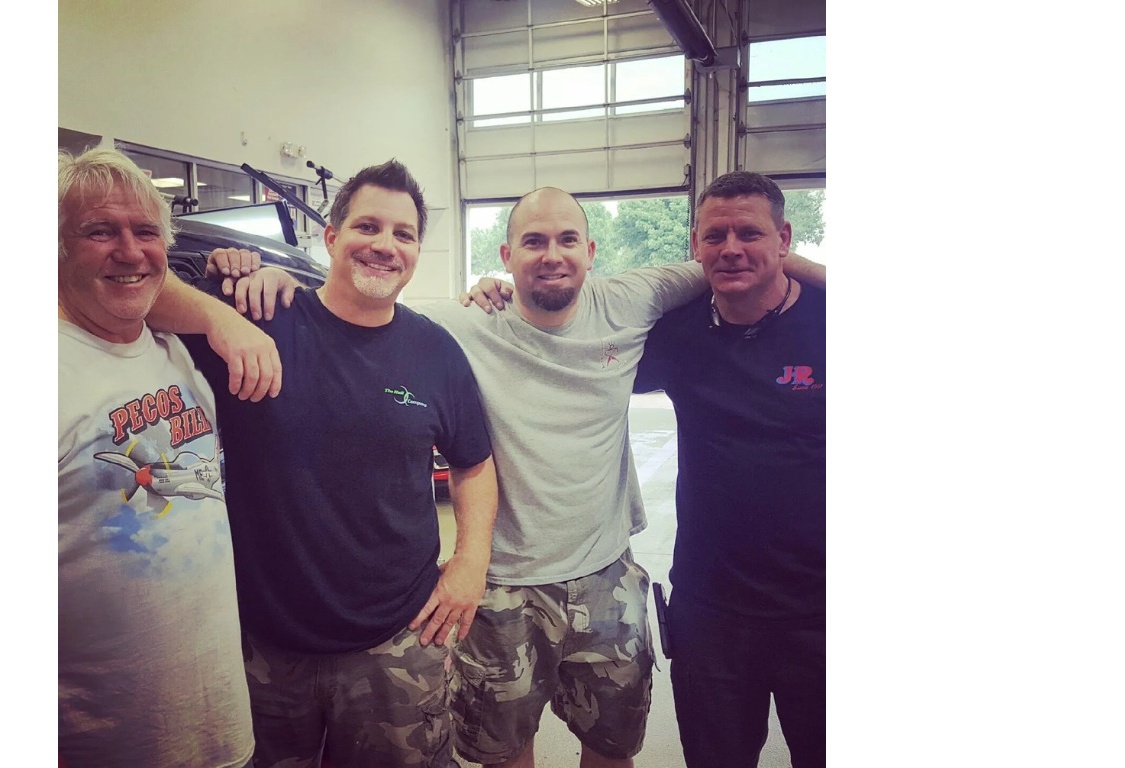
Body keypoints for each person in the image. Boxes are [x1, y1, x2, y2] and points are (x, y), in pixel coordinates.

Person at [218, 185, 825, 767]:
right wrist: (285, 287)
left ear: (591, 251)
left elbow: (737, 259)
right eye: (533, 242)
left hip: (605, 576)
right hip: (502, 588)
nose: (552, 255)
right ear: (506, 257)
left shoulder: (633, 298)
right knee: (503, 752)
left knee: (615, 747)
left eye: (567, 240)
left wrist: (789, 257)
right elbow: (362, 303)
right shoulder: (461, 324)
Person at [146, 159, 499, 768]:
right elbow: (138, 292)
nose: (385, 245)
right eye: (367, 226)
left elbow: (474, 463)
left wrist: (471, 563)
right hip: (264, 645)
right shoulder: (260, 318)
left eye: (404, 234)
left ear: (417, 252)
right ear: (332, 237)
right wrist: (219, 310)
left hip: (398, 640)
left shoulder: (436, 351)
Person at [57, 146, 279, 767]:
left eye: (145, 231)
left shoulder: (172, 349)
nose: (130, 252)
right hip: (102, 744)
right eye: (99, 231)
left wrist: (245, 299)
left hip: (219, 727)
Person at [632, 171, 826, 768]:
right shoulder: (677, 334)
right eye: (715, 236)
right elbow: (576, 341)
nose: (732, 248)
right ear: (695, 245)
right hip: (711, 611)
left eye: (750, 233)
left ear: (784, 238)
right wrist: (500, 297)